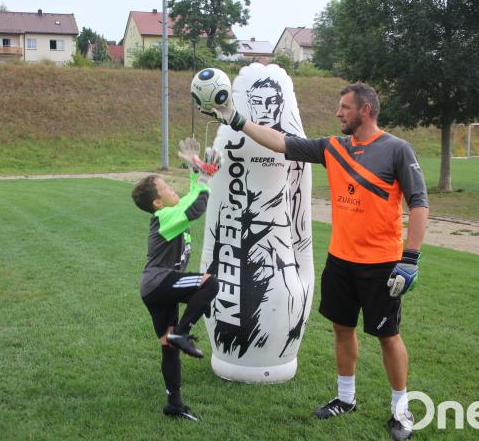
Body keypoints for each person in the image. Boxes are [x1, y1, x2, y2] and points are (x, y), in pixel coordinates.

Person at [204, 82, 428, 440]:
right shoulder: (333, 147)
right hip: (340, 261)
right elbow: (280, 142)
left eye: (345, 107)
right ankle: (345, 399)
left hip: (382, 265)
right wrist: (235, 118)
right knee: (342, 329)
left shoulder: (397, 150)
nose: (338, 113)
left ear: (365, 110)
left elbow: (419, 203)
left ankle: (401, 411)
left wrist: (410, 258)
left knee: (388, 335)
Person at [131, 139, 221, 421]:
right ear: (158, 202)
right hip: (160, 283)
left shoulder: (170, 211)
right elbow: (196, 208)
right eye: (167, 188)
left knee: (168, 348)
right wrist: (206, 177)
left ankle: (175, 405)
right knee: (210, 283)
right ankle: (182, 332)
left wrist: (197, 166)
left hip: (153, 288)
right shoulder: (165, 216)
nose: (173, 188)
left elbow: (194, 195)